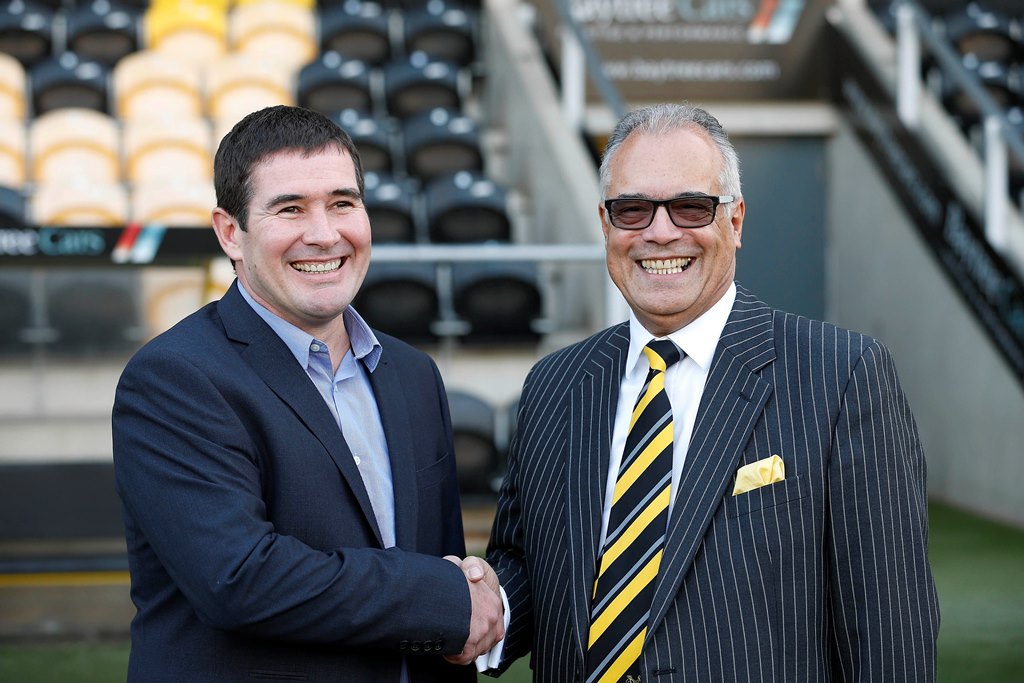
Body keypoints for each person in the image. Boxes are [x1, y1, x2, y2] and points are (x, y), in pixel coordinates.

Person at [481, 103, 940, 681]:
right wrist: (485, 608)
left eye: (691, 206)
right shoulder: (554, 385)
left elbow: (888, 633)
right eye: (633, 209)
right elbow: (527, 563)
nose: (661, 231)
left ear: (736, 220)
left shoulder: (843, 376)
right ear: (606, 224)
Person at [111, 105, 503, 682]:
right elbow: (239, 578)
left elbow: (437, 559)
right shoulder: (175, 378)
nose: (324, 234)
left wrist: (463, 600)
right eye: (290, 208)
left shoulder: (412, 373)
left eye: (342, 204)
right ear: (230, 233)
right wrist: (446, 597)